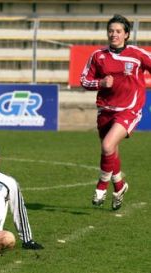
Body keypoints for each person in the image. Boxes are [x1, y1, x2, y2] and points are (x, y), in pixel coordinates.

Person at [80, 14, 151, 210]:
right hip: (105, 110)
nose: (114, 34)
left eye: (118, 31)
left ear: (126, 34)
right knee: (111, 150)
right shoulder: (98, 56)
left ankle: (101, 187)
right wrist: (100, 83)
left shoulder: (137, 55)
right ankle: (119, 186)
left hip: (129, 109)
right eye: (111, 31)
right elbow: (84, 80)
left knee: (107, 144)